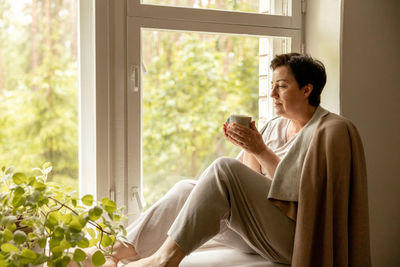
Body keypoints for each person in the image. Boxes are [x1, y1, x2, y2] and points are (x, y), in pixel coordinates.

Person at [69, 53, 370, 267]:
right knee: (188, 187)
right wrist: (250, 146)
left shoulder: (332, 130)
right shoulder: (273, 126)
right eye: (272, 86)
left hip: (298, 239)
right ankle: (111, 254)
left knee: (222, 168)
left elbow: (311, 198)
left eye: (282, 86)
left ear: (307, 90)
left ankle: (165, 260)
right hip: (262, 232)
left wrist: (260, 149)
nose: (273, 93)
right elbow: (246, 185)